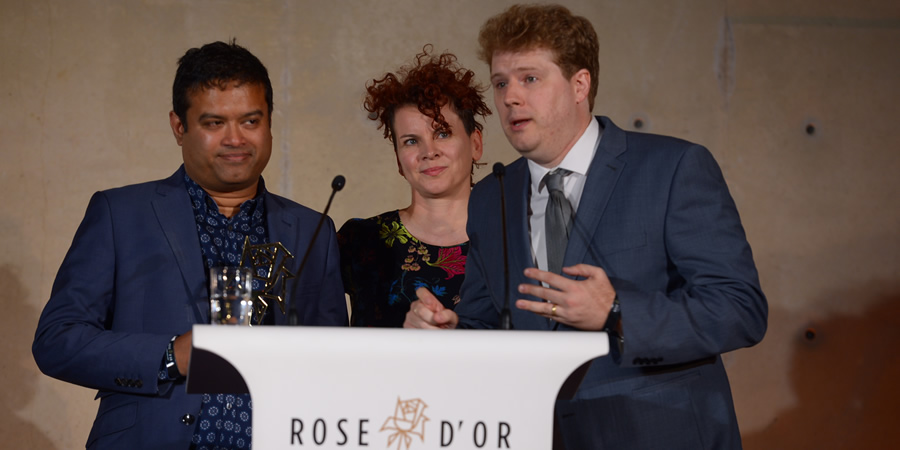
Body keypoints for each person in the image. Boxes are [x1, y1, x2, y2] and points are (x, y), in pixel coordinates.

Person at [405, 4, 768, 449]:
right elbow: (490, 321)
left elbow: (740, 310)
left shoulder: (673, 168)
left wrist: (617, 313)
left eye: (529, 78)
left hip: (658, 432)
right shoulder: (491, 195)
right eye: (501, 83)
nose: (510, 97)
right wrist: (450, 333)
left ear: (580, 84)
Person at [32, 40, 347, 450]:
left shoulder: (313, 229)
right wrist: (169, 355)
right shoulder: (121, 213)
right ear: (179, 127)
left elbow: (335, 362)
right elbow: (57, 340)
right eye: (214, 123)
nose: (236, 139)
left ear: (270, 123)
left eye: (251, 121)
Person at [338, 47, 490, 327]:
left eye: (443, 133)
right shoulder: (359, 240)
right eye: (411, 141)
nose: (428, 151)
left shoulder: (510, 242)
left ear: (476, 144)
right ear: (398, 159)